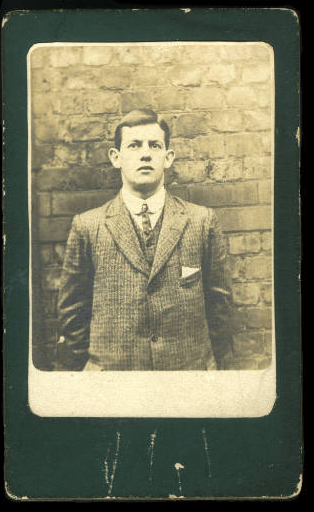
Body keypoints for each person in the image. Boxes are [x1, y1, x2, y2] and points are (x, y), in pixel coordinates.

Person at [57, 109, 234, 371]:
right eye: (134, 145)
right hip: (114, 382)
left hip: (188, 377)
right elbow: (73, 313)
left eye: (154, 145)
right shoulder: (87, 225)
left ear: (168, 157)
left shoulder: (201, 221)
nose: (145, 153)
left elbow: (220, 308)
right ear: (116, 157)